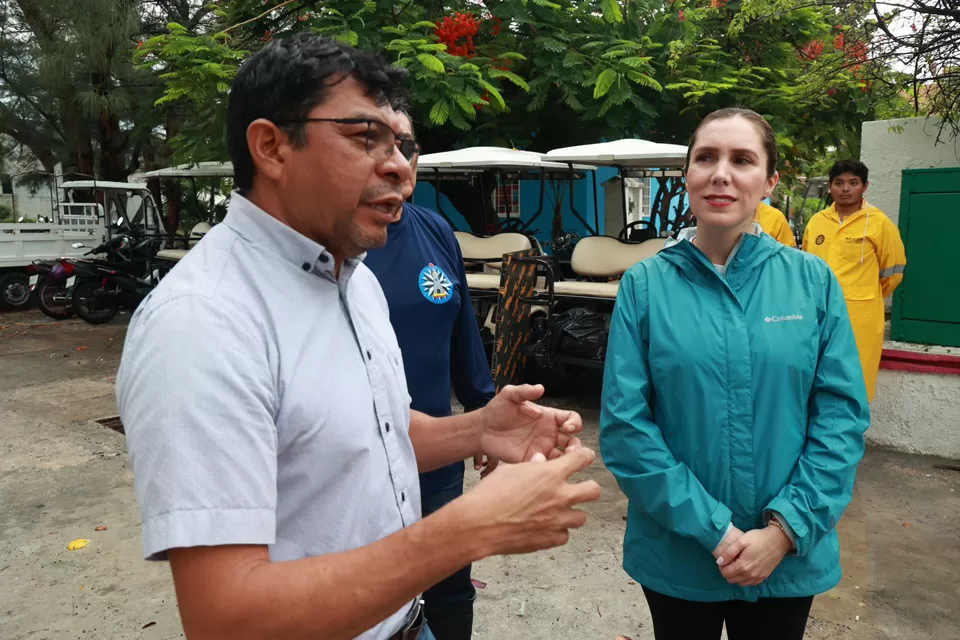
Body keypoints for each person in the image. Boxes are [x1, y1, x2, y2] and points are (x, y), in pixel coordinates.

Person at [116, 34, 601, 640]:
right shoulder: (203, 323)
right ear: (271, 146)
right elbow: (225, 618)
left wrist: (476, 430)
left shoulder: (352, 278)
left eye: (404, 145)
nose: (399, 165)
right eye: (364, 136)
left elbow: (370, 435)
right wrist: (467, 529)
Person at [599, 107, 870, 640]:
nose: (721, 173)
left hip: (787, 556)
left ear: (769, 181)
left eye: (742, 159)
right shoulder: (646, 287)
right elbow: (627, 427)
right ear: (687, 176)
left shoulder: (811, 282)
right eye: (706, 158)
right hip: (681, 554)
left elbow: (840, 417)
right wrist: (717, 532)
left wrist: (785, 530)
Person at [363, 112, 496, 640]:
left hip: (436, 457)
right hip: (364, 463)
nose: (397, 162)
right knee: (379, 595)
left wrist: (484, 414)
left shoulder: (435, 230)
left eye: (408, 146)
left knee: (449, 587)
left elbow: (462, 332)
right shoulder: (344, 247)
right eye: (375, 143)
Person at [803, 160, 907, 402]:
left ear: (865, 186)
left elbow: (893, 272)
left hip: (860, 316)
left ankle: (851, 436)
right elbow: (805, 268)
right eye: (839, 183)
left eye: (853, 183)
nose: (845, 189)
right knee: (815, 374)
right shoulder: (817, 222)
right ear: (830, 187)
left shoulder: (879, 223)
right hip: (816, 313)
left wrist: (864, 294)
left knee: (854, 377)